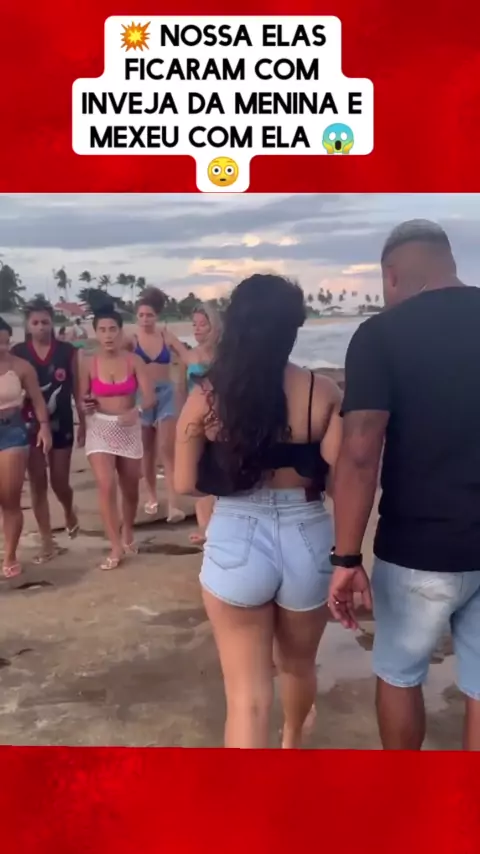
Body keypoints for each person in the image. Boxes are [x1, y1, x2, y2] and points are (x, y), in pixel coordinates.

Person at [328, 219, 480, 752]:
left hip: (417, 548)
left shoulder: (381, 335)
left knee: (399, 673)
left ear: (392, 275)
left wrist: (346, 558)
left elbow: (360, 450)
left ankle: (406, 793)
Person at [174, 274, 342, 748]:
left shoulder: (208, 396)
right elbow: (340, 479)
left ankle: (249, 791)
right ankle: (291, 743)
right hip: (307, 536)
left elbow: (185, 483)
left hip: (236, 535)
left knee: (247, 699)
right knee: (298, 666)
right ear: (293, 328)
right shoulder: (323, 392)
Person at [80, 304, 154, 570]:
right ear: (96, 333)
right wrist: (86, 405)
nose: (108, 335)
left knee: (130, 487)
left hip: (128, 427)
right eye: (102, 330)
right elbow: (82, 398)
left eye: (112, 329)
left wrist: (138, 411)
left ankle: (128, 530)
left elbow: (150, 397)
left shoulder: (134, 361)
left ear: (121, 332)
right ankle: (114, 546)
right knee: (105, 483)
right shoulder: (88, 363)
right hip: (100, 426)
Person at [11, 299, 85, 564]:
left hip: (62, 421)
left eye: (45, 322)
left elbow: (76, 388)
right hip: (29, 424)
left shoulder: (67, 351)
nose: (41, 327)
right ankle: (46, 541)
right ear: (27, 326)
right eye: (35, 322)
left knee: (60, 481)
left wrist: (83, 421)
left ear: (52, 323)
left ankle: (69, 510)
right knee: (38, 482)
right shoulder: (18, 352)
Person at [164, 304, 223, 545]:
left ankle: (213, 529)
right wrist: (180, 421)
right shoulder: (189, 356)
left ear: (214, 326)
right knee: (198, 473)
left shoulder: (224, 355)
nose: (197, 329)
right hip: (194, 422)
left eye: (203, 324)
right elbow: (180, 391)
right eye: (194, 325)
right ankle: (205, 529)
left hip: (219, 420)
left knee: (218, 472)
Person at [0, 318, 52, 577]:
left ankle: (10, 555)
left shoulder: (21, 367)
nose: (1, 347)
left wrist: (44, 427)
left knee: (9, 497)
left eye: (5, 342)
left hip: (12, 431)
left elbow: (38, 400)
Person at [130, 287, 184, 522]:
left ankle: (174, 504)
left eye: (149, 315)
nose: (145, 319)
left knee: (166, 448)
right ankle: (151, 496)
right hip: (141, 396)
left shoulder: (165, 336)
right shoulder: (132, 340)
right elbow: (113, 359)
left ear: (157, 316)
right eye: (141, 315)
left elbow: (187, 355)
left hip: (166, 394)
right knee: (147, 450)